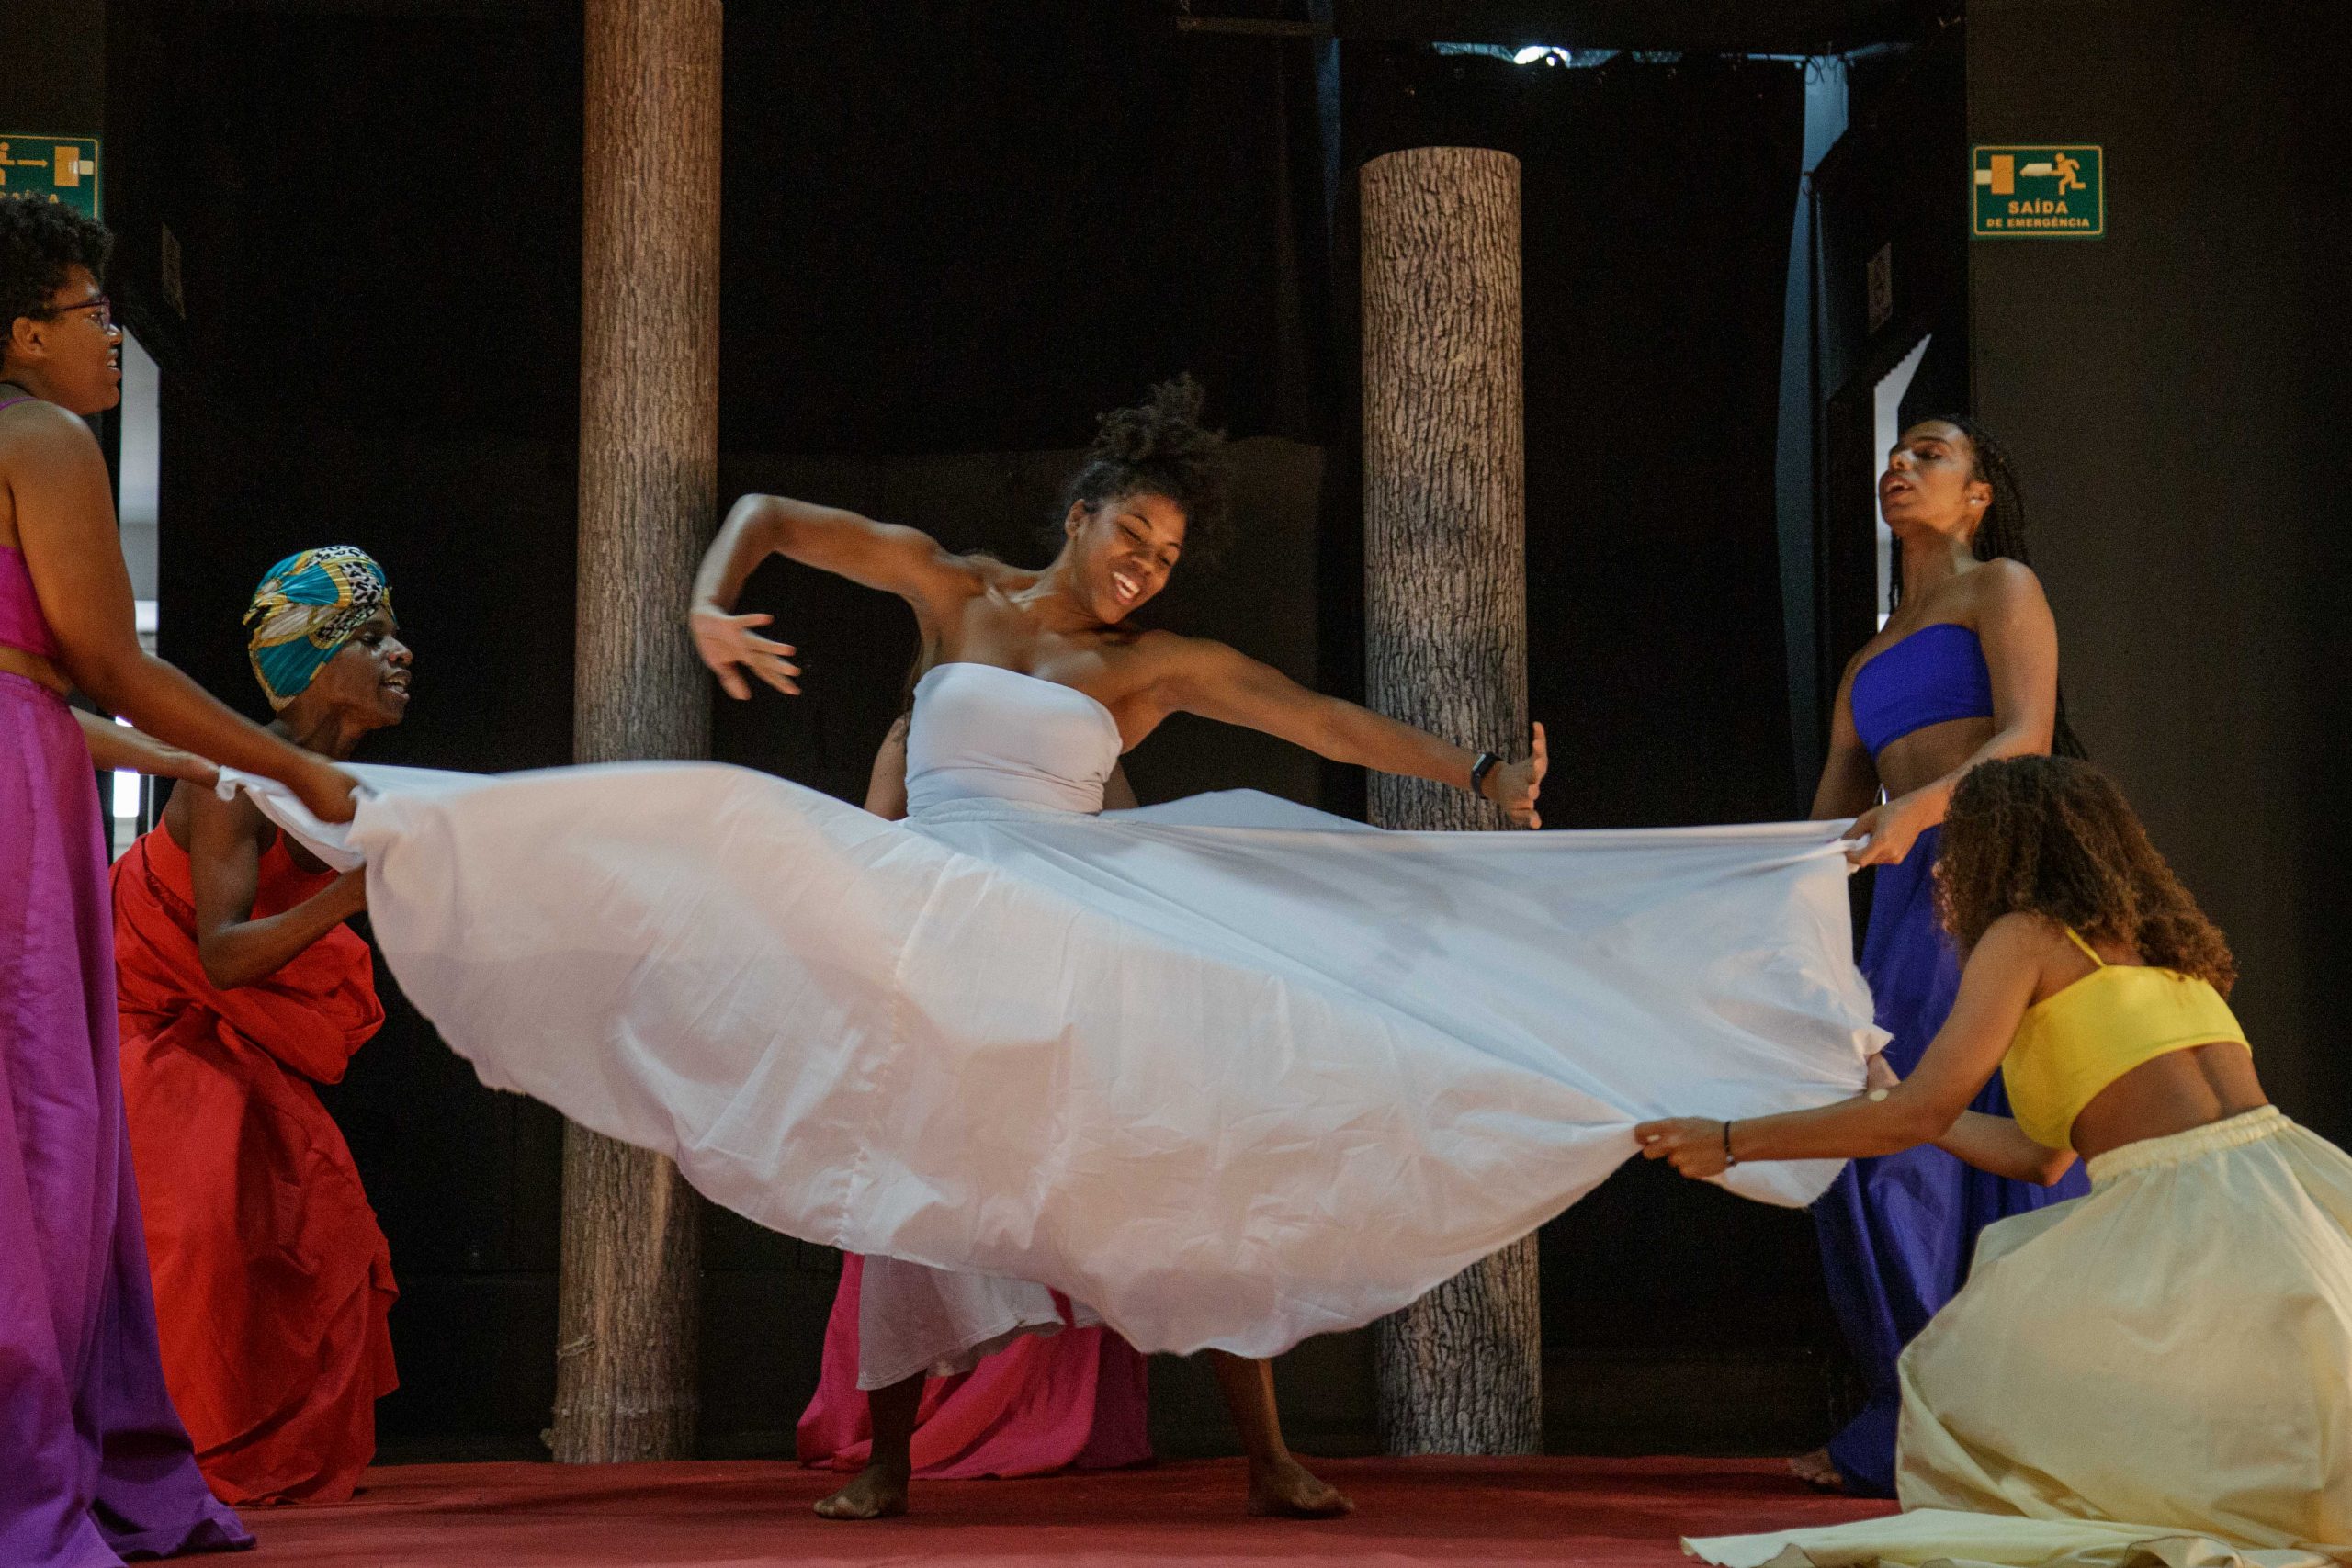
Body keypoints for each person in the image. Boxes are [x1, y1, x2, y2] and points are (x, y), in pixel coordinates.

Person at [224, 378, 1884, 1491]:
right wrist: (708, 598)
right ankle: (882, 1457)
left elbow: (1314, 716)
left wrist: (1468, 767)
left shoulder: (1147, 671)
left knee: (1198, 1137)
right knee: (858, 1082)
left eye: (1166, 560)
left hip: (1080, 905)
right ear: (1084, 508)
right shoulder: (960, 593)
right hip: (929, 897)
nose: (1143, 572)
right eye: (1130, 536)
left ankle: (1268, 1449)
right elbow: (780, 518)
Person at [1642, 756, 2351, 1565]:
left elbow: (1923, 1116)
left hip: (2184, 1214)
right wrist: (1894, 1097)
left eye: (1963, 843)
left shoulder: (2025, 936)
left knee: (1966, 1384)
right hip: (2290, 1192)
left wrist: (1732, 1138)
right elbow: (2039, 1157)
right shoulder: (2165, 951)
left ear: (2007, 851)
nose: (1944, 863)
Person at [1, 200, 354, 1566]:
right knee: (45, 1138)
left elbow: (48, 680)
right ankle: (51, 1468)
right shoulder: (39, 437)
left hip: (30, 748)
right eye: (97, 315)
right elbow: (108, 660)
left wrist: (156, 749)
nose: (115, 342)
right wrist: (294, 770)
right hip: (18, 807)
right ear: (28, 330)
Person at [794, 716, 1336, 1520]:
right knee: (911, 1226)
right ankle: (889, 1468)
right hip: (958, 1000)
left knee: (1195, 1218)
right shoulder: (920, 732)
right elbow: (867, 856)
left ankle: (1270, 1459)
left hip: (1083, 996)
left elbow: (1131, 855)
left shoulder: (1083, 731)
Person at [1797, 417, 2089, 1495]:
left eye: (1930, 454)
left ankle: (2018, 1423)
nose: (1901, 466)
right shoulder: (1866, 657)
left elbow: (2025, 735)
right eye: (1897, 455)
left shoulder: (2000, 588)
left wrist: (1914, 814)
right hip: (1895, 910)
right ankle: (1915, 1417)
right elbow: (1827, 824)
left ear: (1975, 499)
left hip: (1989, 880)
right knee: (1879, 1140)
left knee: (1964, 1120)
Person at [112, 547, 409, 1505]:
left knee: (317, 1208)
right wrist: (354, 897)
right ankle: (170, 1450)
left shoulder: (348, 785)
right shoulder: (233, 778)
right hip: (143, 1013)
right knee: (197, 1220)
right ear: (313, 664)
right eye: (371, 637)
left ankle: (262, 1440)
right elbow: (223, 954)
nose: (401, 653)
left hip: (219, 1020)